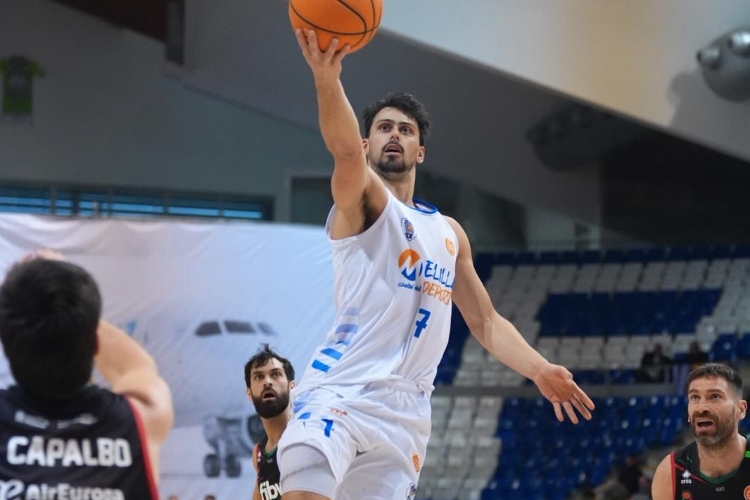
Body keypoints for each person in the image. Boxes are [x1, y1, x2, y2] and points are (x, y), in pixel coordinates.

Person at [277, 29, 595, 500]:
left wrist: (539, 368)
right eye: (384, 128)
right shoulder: (364, 202)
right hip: (342, 388)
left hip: (406, 413)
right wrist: (327, 79)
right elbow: (341, 150)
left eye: (405, 131)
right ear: (366, 144)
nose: (394, 135)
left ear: (420, 152)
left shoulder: (449, 233)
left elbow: (486, 321)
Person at [0, 250, 174, 497]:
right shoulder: (142, 419)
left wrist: (16, 302)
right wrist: (70, 302)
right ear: (95, 343)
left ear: (5, 342)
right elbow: (135, 367)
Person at [651, 363, 749, 500]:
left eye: (714, 396)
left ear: (741, 409)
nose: (701, 408)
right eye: (695, 397)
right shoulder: (670, 471)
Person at [246, 345, 295, 500]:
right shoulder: (258, 453)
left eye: (275, 374)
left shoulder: (307, 435)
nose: (267, 382)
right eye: (259, 377)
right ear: (249, 393)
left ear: (292, 387)